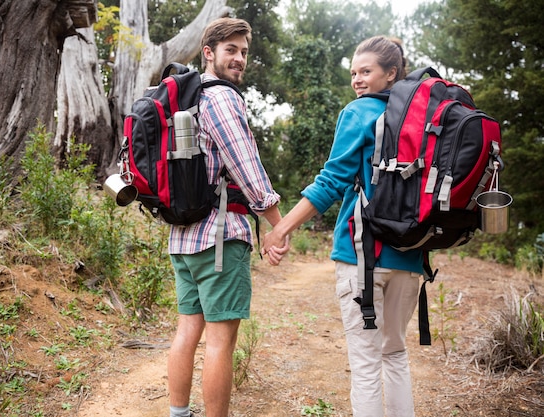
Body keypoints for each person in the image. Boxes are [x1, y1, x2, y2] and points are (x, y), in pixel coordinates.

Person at [262, 36, 424, 417]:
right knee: (396, 354)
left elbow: (331, 183)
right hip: (410, 256)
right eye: (353, 72)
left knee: (367, 364)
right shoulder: (420, 118)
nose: (357, 79)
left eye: (366, 71)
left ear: (391, 74)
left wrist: (280, 228)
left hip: (362, 256)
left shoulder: (359, 112)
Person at [166, 17, 287, 417]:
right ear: (209, 53)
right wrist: (278, 225)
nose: (239, 59)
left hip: (183, 239)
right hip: (218, 239)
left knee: (187, 332)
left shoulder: (188, 98)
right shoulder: (221, 98)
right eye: (231, 50)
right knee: (219, 342)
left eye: (244, 52)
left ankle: (178, 413)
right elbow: (248, 170)